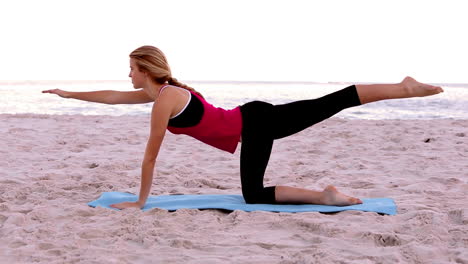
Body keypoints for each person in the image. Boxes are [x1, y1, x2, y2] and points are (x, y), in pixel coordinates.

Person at [42, 45, 444, 210]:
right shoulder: (160, 94)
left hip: (254, 123)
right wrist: (69, 94)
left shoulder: (163, 99)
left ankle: (402, 88)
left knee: (330, 103)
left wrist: (141, 202)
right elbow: (113, 96)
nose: (126, 75)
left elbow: (150, 156)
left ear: (145, 70)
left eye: (130, 69)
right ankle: (327, 192)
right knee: (328, 105)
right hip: (252, 121)